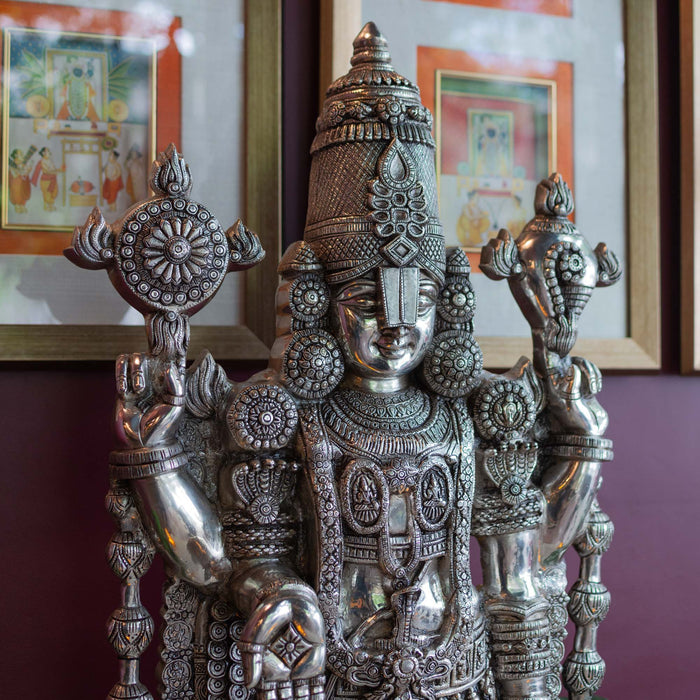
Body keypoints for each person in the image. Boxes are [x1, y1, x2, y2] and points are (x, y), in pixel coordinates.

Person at [94, 25, 618, 700]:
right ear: (319, 301)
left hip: (462, 679)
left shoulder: (475, 419)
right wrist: (161, 465)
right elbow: (230, 564)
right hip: (330, 678)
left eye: (419, 299)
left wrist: (583, 439)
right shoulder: (287, 423)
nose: (398, 323)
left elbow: (525, 570)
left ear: (449, 303)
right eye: (370, 299)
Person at [31, 147, 63, 211]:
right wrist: (56, 172)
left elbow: (53, 169)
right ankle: (48, 206)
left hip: (53, 179)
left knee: (53, 192)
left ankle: (50, 205)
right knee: (47, 193)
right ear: (43, 153)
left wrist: (60, 170)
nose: (49, 153)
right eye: (47, 151)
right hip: (46, 180)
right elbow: (47, 171)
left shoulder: (50, 160)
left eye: (48, 151)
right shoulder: (42, 161)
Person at [8, 146, 35, 213]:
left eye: (22, 154)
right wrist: (20, 171)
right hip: (16, 183)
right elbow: (14, 174)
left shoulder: (23, 164)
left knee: (23, 194)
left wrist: (28, 169)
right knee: (17, 194)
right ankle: (17, 206)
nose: (22, 155)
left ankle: (22, 205)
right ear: (16, 156)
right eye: (21, 154)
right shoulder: (13, 164)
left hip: (23, 182)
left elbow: (26, 173)